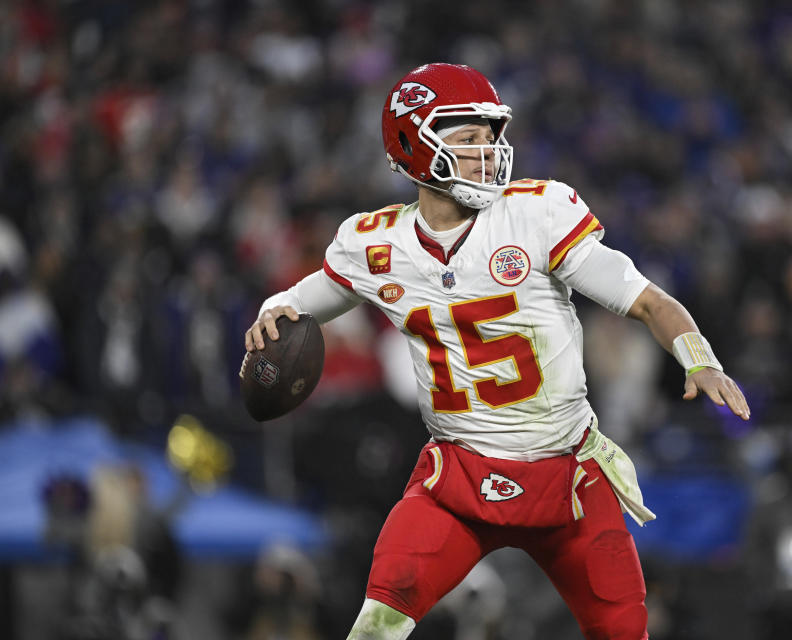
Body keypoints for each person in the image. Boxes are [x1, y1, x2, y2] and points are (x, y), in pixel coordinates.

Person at [244, 63, 750, 640]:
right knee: (377, 624)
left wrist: (699, 356)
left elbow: (649, 301)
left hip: (569, 481)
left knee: (625, 629)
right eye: (465, 140)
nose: (486, 154)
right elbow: (298, 302)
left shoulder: (534, 214)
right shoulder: (374, 243)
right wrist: (271, 317)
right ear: (412, 146)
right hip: (458, 479)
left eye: (490, 138)